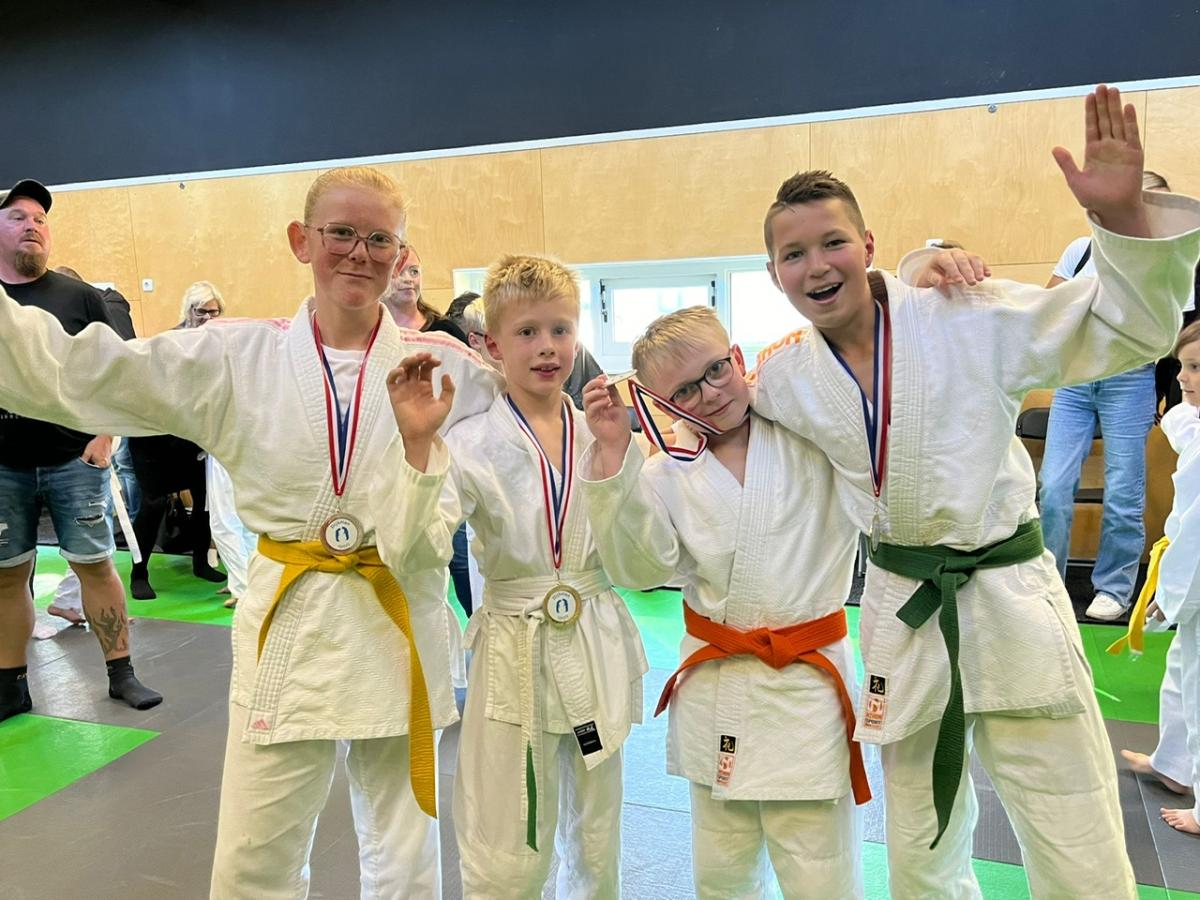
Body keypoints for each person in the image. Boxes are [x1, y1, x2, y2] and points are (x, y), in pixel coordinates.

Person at [0, 166, 500, 898]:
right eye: (340, 233)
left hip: (400, 616)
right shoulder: (236, 357)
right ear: (302, 240)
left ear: (400, 253)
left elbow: (541, 439)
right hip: (290, 624)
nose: (359, 253)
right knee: (255, 858)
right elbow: (80, 371)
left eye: (379, 239)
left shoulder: (454, 372)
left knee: (405, 855)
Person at [750, 86, 1200, 897]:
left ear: (867, 245)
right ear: (774, 273)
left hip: (1008, 597)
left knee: (1075, 831)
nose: (816, 265)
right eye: (794, 254)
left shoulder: (964, 313)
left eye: (834, 242)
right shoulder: (784, 378)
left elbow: (1127, 331)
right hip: (903, 612)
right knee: (919, 846)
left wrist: (1123, 221)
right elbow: (724, 423)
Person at [378, 254, 648, 898]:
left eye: (560, 329)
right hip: (513, 648)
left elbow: (641, 562)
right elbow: (413, 551)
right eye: (527, 332)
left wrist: (618, 457)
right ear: (492, 346)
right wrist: (417, 447)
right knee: (507, 833)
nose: (547, 347)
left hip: (593, 637)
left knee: (598, 833)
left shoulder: (601, 433)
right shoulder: (470, 442)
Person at [579, 306, 868, 897]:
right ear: (661, 405)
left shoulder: (810, 435)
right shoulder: (664, 474)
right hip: (719, 691)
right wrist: (612, 454)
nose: (709, 394)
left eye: (715, 370)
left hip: (807, 687)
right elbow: (639, 571)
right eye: (684, 391)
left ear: (738, 358)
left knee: (822, 873)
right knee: (721, 873)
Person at [0, 179, 161, 719]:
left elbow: (119, 372)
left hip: (74, 459)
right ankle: (11, 687)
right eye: (17, 216)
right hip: (4, 466)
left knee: (95, 565)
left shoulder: (80, 297)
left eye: (40, 219)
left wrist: (105, 435)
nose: (32, 225)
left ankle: (122, 674)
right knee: (7, 575)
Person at [1038, 170, 1195, 620]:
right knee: (1053, 486)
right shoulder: (1081, 249)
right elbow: (1050, 308)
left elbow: (1174, 336)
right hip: (1075, 380)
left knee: (1124, 490)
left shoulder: (1172, 264)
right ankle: (1047, 584)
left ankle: (1114, 587)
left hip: (1129, 379)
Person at [1111, 321, 1200, 836]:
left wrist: (1168, 597)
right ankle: (1174, 766)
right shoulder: (1195, 424)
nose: (1183, 378)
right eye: (1182, 366)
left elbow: (1193, 537)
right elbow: (1183, 427)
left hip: (1195, 575)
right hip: (1193, 575)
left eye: (1197, 368)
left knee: (1198, 685)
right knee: (1183, 670)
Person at [126, 282, 228, 599]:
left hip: (190, 436)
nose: (208, 318)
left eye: (214, 312)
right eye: (201, 311)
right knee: (153, 504)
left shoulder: (219, 346)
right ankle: (139, 573)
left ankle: (200, 562)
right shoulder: (168, 343)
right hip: (152, 437)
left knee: (203, 499)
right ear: (188, 311)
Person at [381, 244, 470, 342]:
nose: (408, 279)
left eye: (414, 272)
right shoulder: (371, 332)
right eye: (399, 272)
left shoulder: (446, 330)